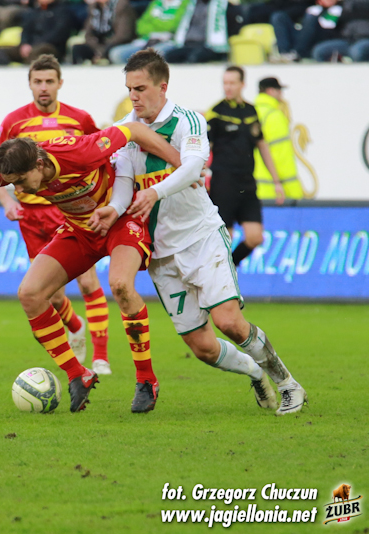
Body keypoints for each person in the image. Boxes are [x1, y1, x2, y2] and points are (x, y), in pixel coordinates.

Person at [101, 49, 307, 415]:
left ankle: (288, 383)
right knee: (204, 349)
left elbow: (193, 167)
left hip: (201, 236)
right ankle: (254, 372)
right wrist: (113, 210)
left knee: (229, 322)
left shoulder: (189, 120)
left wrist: (154, 191)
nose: (133, 96)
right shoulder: (124, 130)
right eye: (129, 88)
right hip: (161, 253)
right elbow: (122, 184)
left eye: (141, 88)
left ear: (162, 87)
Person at [0, 123, 180, 413]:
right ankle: (78, 374)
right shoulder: (15, 166)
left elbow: (133, 129)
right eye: (13, 185)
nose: (19, 190)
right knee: (30, 294)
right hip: (80, 230)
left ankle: (146, 379)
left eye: (21, 181)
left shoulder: (79, 152)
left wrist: (181, 165)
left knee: (120, 285)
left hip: (121, 221)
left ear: (40, 164)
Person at [0, 54, 113, 376]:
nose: (43, 87)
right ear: (30, 84)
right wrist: (6, 202)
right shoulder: (14, 122)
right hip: (30, 217)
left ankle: (100, 358)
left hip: (68, 209)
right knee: (53, 296)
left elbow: (100, 155)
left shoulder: (79, 118)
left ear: (60, 83)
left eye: (49, 81)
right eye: (37, 81)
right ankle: (76, 327)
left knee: (87, 280)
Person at [205, 66, 284, 267]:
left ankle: (230, 266)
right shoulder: (216, 112)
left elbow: (262, 145)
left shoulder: (251, 111)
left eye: (232, 83)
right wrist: (199, 175)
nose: (228, 87)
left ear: (242, 84)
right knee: (224, 239)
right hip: (224, 182)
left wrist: (277, 181)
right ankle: (220, 278)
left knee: (256, 237)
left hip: (247, 182)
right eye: (225, 83)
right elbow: (205, 149)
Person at [253, 77, 303, 201]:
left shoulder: (251, 112)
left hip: (255, 189)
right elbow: (281, 156)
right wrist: (293, 191)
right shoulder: (274, 115)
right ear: (271, 91)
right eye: (279, 90)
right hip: (274, 192)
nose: (282, 94)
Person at [271, 0, 342, 62]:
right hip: (303, 37)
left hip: (319, 40)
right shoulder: (312, 8)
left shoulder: (338, 9)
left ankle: (297, 53)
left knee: (311, 19)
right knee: (279, 17)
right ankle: (284, 53)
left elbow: (327, 27)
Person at [72, 0, 136, 64]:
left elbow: (123, 35)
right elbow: (88, 35)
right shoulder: (93, 8)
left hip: (116, 44)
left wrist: (104, 49)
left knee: (112, 52)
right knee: (78, 49)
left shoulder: (121, 5)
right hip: (99, 45)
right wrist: (98, 49)